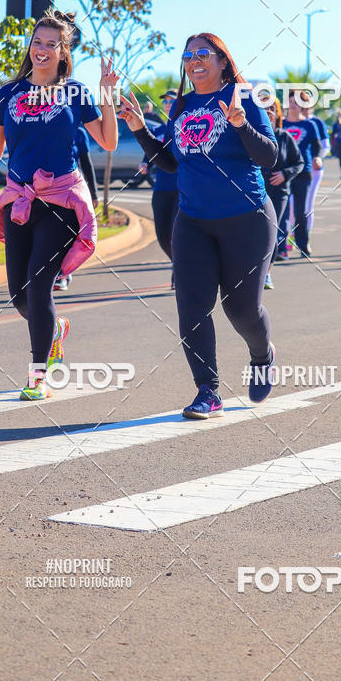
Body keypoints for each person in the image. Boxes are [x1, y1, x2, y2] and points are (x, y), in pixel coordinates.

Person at [119, 32, 278, 419]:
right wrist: (140, 129)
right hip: (192, 221)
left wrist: (240, 124)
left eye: (203, 53)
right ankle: (208, 391)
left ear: (223, 60)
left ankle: (262, 355)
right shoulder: (185, 105)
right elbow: (173, 163)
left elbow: (269, 156)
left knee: (241, 310)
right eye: (188, 55)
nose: (194, 60)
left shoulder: (243, 99)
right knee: (191, 307)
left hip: (247, 218)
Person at [0, 8, 118, 400]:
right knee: (18, 294)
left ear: (64, 51)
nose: (42, 50)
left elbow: (108, 141)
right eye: (37, 42)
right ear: (30, 46)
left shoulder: (75, 91)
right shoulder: (9, 92)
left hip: (61, 201)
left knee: (39, 285)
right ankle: (56, 329)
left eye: (52, 44)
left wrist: (107, 92)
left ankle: (37, 375)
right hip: (19, 200)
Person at [262, 96, 302, 284]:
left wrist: (285, 174)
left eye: (272, 107)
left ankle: (267, 272)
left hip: (279, 193)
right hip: (255, 192)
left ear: (278, 112)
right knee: (252, 233)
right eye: (263, 107)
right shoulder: (251, 134)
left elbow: (299, 163)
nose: (268, 110)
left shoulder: (285, 137)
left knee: (271, 231)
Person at [54, 124, 99, 291]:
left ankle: (64, 273)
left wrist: (94, 194)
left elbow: (87, 164)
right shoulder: (49, 127)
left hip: (73, 190)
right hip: (49, 189)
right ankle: (55, 273)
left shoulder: (79, 133)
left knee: (70, 232)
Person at [280, 89, 322, 258]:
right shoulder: (282, 124)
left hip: (303, 172)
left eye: (297, 102)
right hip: (283, 172)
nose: (293, 105)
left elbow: (317, 145)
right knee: (282, 211)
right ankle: (281, 247)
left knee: (300, 211)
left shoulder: (309, 125)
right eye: (291, 101)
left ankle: (303, 244)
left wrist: (317, 158)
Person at [143, 89, 179, 288]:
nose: (167, 104)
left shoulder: (187, 127)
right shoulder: (158, 129)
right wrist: (145, 164)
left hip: (182, 187)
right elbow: (150, 151)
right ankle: (177, 262)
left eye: (171, 101)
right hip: (162, 187)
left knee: (176, 231)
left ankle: (180, 270)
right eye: (165, 101)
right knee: (162, 233)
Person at [305, 105, 330, 232]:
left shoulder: (316, 122)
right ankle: (291, 235)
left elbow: (326, 147)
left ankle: (304, 238)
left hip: (313, 170)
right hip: (293, 170)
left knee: (307, 206)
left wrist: (317, 158)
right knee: (291, 206)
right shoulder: (289, 121)